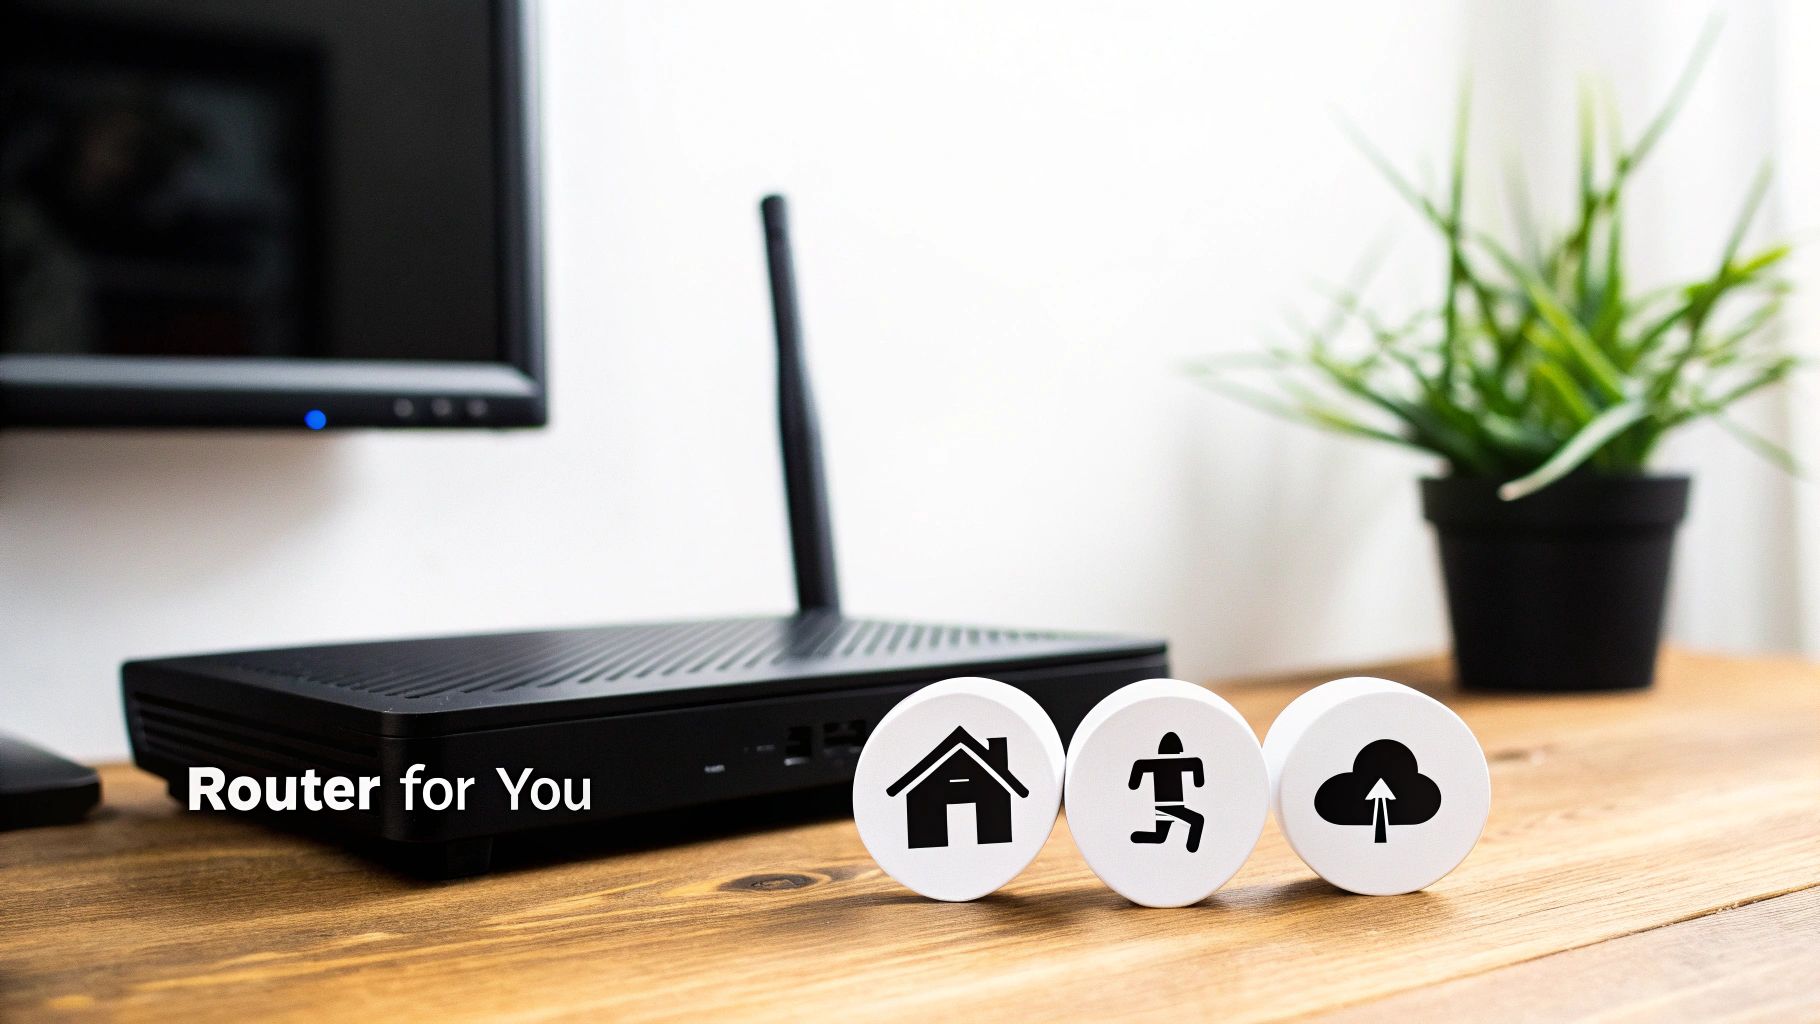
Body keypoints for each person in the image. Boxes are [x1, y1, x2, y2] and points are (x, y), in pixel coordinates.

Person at [1127, 732, 1205, 852]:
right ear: (1178, 749)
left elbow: (1139, 765)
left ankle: (1134, 837)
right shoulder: (1180, 763)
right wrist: (1198, 781)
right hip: (1173, 807)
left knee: (1160, 837)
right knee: (1198, 820)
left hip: (1161, 808)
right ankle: (1192, 847)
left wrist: (1134, 784)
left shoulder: (1154, 764)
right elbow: (1196, 763)